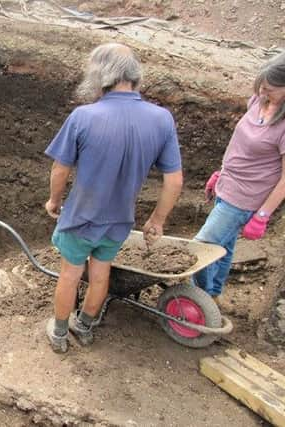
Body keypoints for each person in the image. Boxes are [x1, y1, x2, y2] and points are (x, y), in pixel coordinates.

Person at [44, 43, 183, 353]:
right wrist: (157, 220)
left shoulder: (84, 116)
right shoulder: (161, 119)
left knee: (69, 275)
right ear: (134, 75)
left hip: (81, 217)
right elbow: (174, 180)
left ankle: (59, 333)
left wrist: (54, 201)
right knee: (100, 273)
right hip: (120, 220)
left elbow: (60, 169)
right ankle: (86, 327)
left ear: (100, 75)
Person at [194, 52, 285, 299]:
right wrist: (220, 173)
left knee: (200, 247)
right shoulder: (257, 101)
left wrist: (262, 215)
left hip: (245, 199)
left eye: (270, 89)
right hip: (227, 187)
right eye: (261, 87)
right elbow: (239, 144)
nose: (263, 93)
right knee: (223, 246)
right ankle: (211, 294)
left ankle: (195, 299)